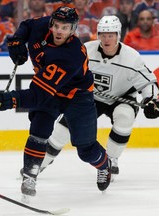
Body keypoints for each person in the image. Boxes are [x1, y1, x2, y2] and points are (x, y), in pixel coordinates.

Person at [0, 6, 112, 202]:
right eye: (56, 26)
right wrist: (17, 40)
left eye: (65, 28)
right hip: (51, 93)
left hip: (77, 97)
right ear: (51, 23)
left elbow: (38, 95)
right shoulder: (42, 26)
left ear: (73, 30)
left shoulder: (71, 55)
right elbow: (27, 25)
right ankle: (30, 176)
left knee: (86, 149)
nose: (59, 31)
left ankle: (104, 165)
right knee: (39, 128)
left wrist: (11, 99)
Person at [39, 15, 159, 180]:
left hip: (122, 97)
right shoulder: (86, 50)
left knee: (124, 116)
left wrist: (152, 100)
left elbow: (148, 84)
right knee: (62, 130)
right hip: (90, 97)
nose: (106, 39)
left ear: (118, 35)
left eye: (111, 35)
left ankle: (109, 161)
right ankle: (40, 162)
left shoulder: (131, 58)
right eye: (103, 34)